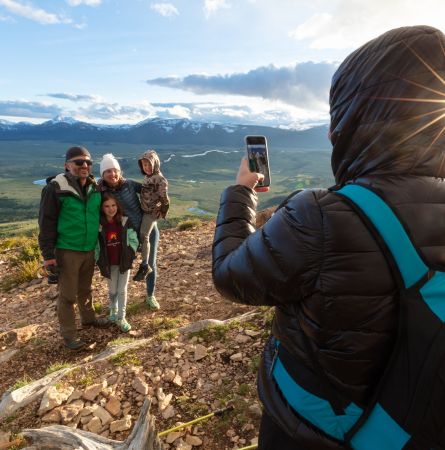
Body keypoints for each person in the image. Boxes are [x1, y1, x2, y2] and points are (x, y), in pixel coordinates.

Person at [212, 25, 445, 449]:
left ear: (356, 121)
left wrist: (241, 192)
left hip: (311, 431)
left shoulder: (321, 215)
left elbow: (230, 275)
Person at [38, 146, 110, 351]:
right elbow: (46, 223)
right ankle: (69, 335)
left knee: (85, 289)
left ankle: (88, 319)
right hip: (67, 249)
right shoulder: (55, 189)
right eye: (79, 162)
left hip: (89, 248)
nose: (84, 166)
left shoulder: (94, 186)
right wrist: (48, 256)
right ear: (67, 165)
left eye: (88, 162)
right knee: (68, 295)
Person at [98, 153, 161, 310]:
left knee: (150, 263)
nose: (112, 174)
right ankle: (118, 305)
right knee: (121, 266)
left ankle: (150, 295)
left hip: (148, 230)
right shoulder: (101, 192)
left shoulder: (130, 184)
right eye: (107, 171)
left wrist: (159, 204)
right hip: (126, 236)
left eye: (115, 170)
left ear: (120, 172)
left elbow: (150, 190)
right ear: (103, 175)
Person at [96, 193, 138, 332]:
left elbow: (133, 239)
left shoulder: (124, 221)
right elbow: (96, 245)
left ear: (117, 206)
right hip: (109, 264)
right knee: (112, 290)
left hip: (123, 262)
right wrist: (98, 258)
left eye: (113, 205)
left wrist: (131, 253)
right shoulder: (100, 225)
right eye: (107, 206)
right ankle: (112, 309)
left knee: (122, 290)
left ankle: (122, 317)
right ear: (102, 208)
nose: (111, 209)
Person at [133, 150, 169, 284]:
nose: (146, 168)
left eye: (149, 165)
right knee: (141, 233)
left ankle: (144, 265)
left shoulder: (159, 179)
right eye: (144, 165)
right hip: (145, 210)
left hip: (151, 212)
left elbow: (165, 198)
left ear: (155, 164)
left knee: (144, 235)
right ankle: (142, 249)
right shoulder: (149, 177)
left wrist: (163, 211)